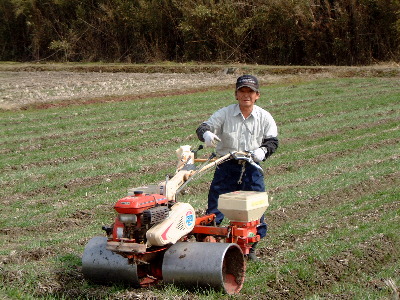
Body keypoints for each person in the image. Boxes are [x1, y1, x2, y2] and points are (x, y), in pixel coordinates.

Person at [196, 74, 279, 261]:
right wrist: (207, 134)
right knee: (216, 206)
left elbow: (272, 141)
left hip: (251, 166)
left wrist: (263, 151)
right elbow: (203, 127)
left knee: (255, 208)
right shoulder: (225, 113)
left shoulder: (264, 117)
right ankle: (211, 244)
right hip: (226, 164)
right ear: (236, 94)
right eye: (242, 91)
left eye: (250, 91)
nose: (246, 95)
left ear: (257, 95)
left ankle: (250, 248)